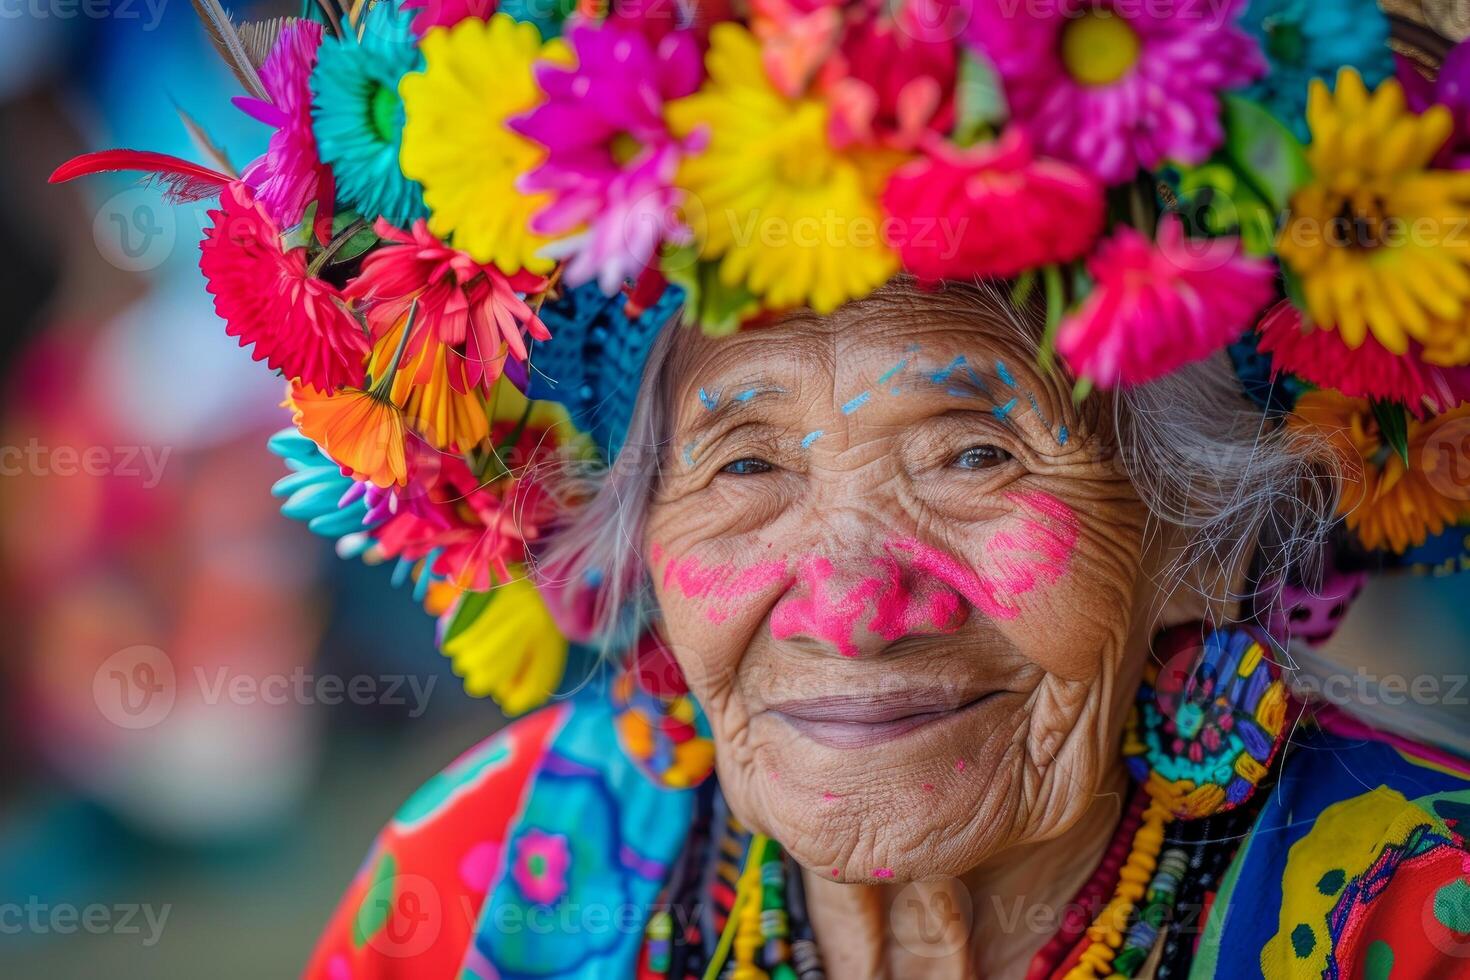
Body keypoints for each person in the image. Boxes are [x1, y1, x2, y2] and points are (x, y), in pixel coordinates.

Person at [52, 0, 1470, 975]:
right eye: (742, 463)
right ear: (638, 540)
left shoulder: (1418, 921)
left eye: (971, 454)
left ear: (1199, 536)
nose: (850, 603)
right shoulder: (479, 888)